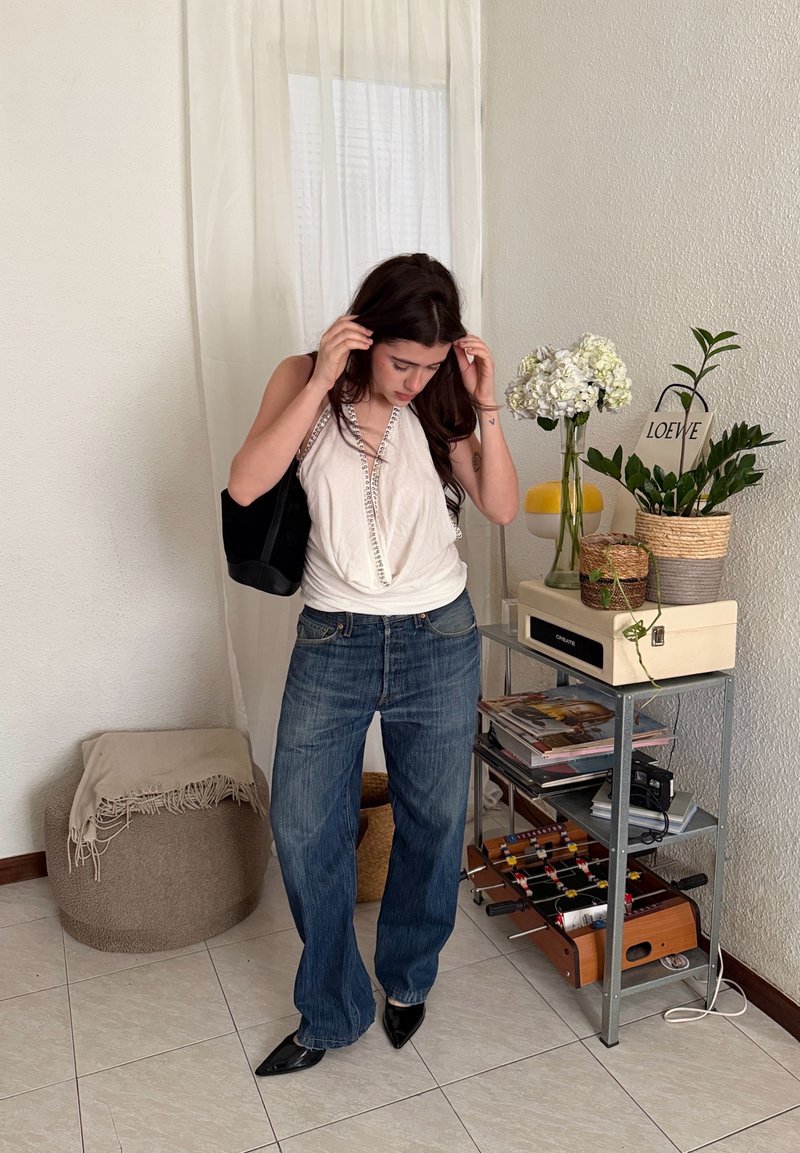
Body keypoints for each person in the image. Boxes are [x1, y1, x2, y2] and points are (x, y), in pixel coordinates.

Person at [227, 253, 518, 1075]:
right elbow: (247, 484)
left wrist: (482, 400)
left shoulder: (441, 397)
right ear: (364, 333)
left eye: (429, 366)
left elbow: (498, 505)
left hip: (440, 635)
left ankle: (407, 975)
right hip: (335, 639)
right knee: (303, 824)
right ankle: (333, 1006)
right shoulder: (304, 377)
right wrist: (322, 380)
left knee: (431, 821)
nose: (412, 381)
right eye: (401, 362)